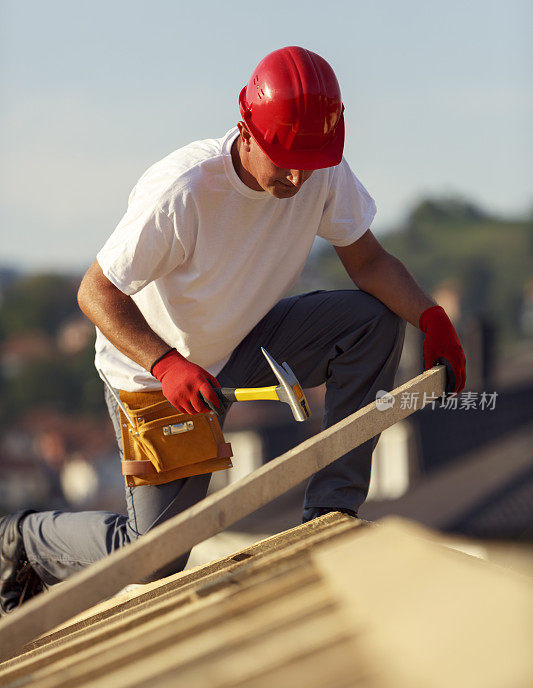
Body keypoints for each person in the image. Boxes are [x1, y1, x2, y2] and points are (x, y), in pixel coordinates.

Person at [0, 46, 466, 614]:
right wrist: (166, 363)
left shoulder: (318, 167)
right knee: (156, 558)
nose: (298, 175)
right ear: (247, 129)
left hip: (246, 340)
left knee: (371, 322)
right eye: (285, 160)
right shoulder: (184, 192)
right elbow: (95, 293)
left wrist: (431, 318)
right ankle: (23, 540)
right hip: (156, 377)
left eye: (310, 161)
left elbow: (368, 264)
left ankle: (330, 513)